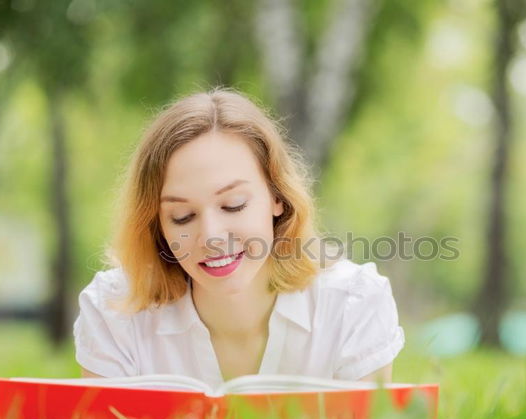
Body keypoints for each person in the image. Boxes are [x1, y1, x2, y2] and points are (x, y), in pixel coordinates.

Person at [73, 88, 405, 388]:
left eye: (233, 205)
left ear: (277, 197)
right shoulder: (114, 312)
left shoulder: (353, 303)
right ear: (158, 224)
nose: (212, 238)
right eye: (182, 216)